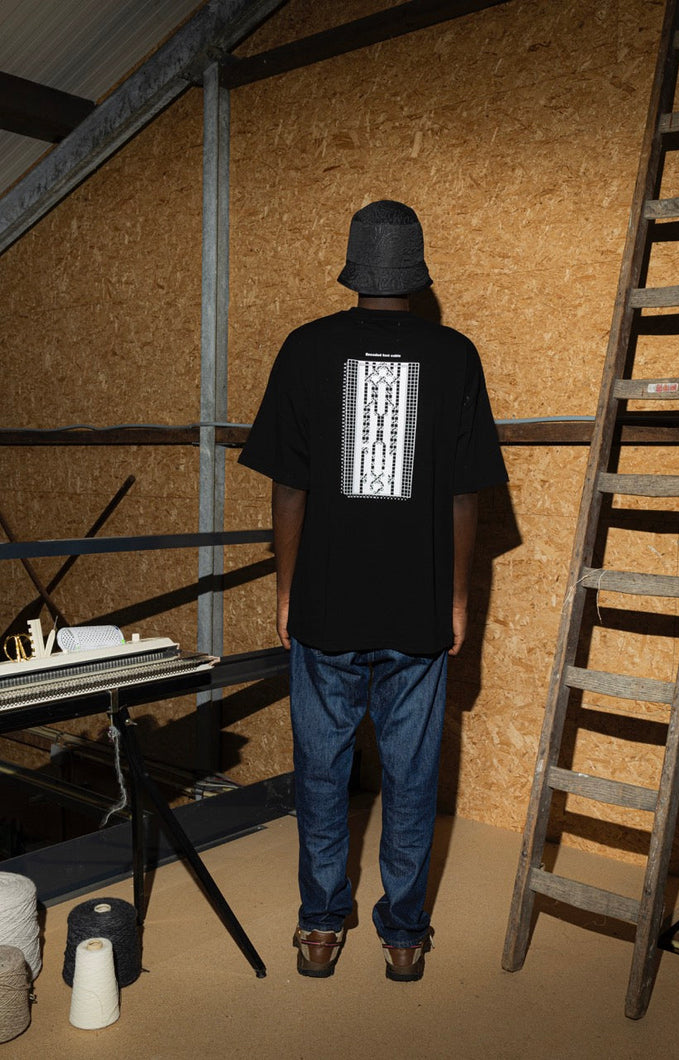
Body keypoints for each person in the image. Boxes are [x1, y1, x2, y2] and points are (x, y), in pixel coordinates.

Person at [239, 200, 508, 981]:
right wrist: (457, 601)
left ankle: (321, 928)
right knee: (413, 776)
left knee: (322, 771)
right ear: (417, 273)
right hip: (417, 611)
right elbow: (465, 498)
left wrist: (288, 591)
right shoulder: (455, 355)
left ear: (354, 267)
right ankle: (405, 936)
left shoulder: (307, 348)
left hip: (326, 605)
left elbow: (289, 489)